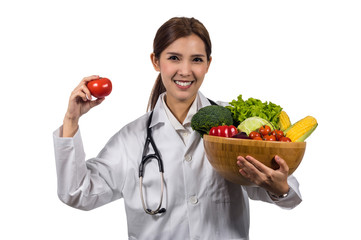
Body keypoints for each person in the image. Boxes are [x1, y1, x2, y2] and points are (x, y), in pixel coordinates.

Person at [53, 17, 302, 240]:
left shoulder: (236, 127)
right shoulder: (131, 139)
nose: (185, 71)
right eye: (174, 58)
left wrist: (280, 189)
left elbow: (287, 192)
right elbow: (77, 193)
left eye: (196, 60)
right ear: (155, 61)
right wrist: (71, 120)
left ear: (208, 64)